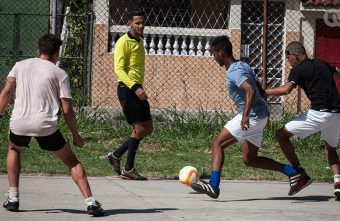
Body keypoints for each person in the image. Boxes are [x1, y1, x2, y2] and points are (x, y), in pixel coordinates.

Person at [190, 36, 313, 199]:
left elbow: (250, 90)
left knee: (217, 144)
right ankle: (294, 173)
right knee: (250, 159)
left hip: (251, 116)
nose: (214, 58)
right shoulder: (243, 65)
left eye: (214, 54)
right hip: (260, 116)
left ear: (221, 53)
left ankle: (213, 185)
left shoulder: (234, 71)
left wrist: (246, 116)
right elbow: (258, 88)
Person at [0, 34, 104, 215]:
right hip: (45, 125)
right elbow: (67, 110)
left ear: (38, 50)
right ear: (56, 53)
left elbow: (6, 93)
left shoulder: (19, 66)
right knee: (71, 160)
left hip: (19, 123)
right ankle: (91, 202)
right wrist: (76, 136)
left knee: (14, 149)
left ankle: (13, 198)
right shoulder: (60, 73)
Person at [265, 41, 340, 200]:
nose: (288, 61)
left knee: (281, 135)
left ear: (296, 55)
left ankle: (299, 173)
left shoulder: (297, 69)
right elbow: (337, 71)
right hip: (337, 114)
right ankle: (338, 185)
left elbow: (286, 89)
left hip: (319, 114)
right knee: (330, 149)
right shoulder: (322, 63)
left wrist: (264, 91)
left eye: (289, 58)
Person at [105, 10, 152, 180]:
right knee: (139, 128)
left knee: (147, 127)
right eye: (137, 23)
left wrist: (139, 87)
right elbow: (119, 69)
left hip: (137, 87)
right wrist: (135, 88)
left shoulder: (139, 42)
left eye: (142, 23)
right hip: (127, 89)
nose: (140, 26)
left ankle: (115, 155)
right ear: (129, 24)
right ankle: (129, 168)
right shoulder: (122, 42)